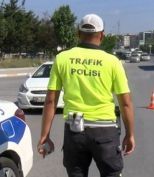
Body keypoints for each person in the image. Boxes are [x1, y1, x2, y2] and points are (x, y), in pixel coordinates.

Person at [37, 13, 135, 177]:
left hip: (75, 131)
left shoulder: (62, 59)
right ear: (102, 35)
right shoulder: (112, 62)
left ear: (78, 33)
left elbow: (51, 101)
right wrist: (130, 134)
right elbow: (125, 103)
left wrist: (44, 136)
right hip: (105, 131)